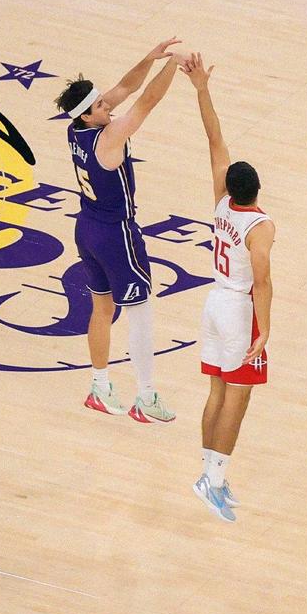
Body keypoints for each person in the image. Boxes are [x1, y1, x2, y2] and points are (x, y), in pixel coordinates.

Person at [54, 38, 186, 423]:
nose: (107, 106)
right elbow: (145, 102)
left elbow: (126, 88)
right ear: (87, 115)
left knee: (102, 308)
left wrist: (149, 58)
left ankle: (99, 386)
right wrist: (173, 66)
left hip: (86, 228)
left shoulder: (77, 128)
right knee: (140, 311)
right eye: (100, 106)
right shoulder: (108, 138)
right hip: (116, 234)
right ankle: (145, 397)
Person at [182, 53, 274, 522]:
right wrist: (265, 330)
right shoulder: (261, 225)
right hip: (238, 309)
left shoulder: (221, 202)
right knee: (238, 399)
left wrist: (202, 89)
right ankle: (213, 481)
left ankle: (209, 474)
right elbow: (262, 281)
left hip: (213, 301)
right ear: (258, 188)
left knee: (216, 393)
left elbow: (214, 138)